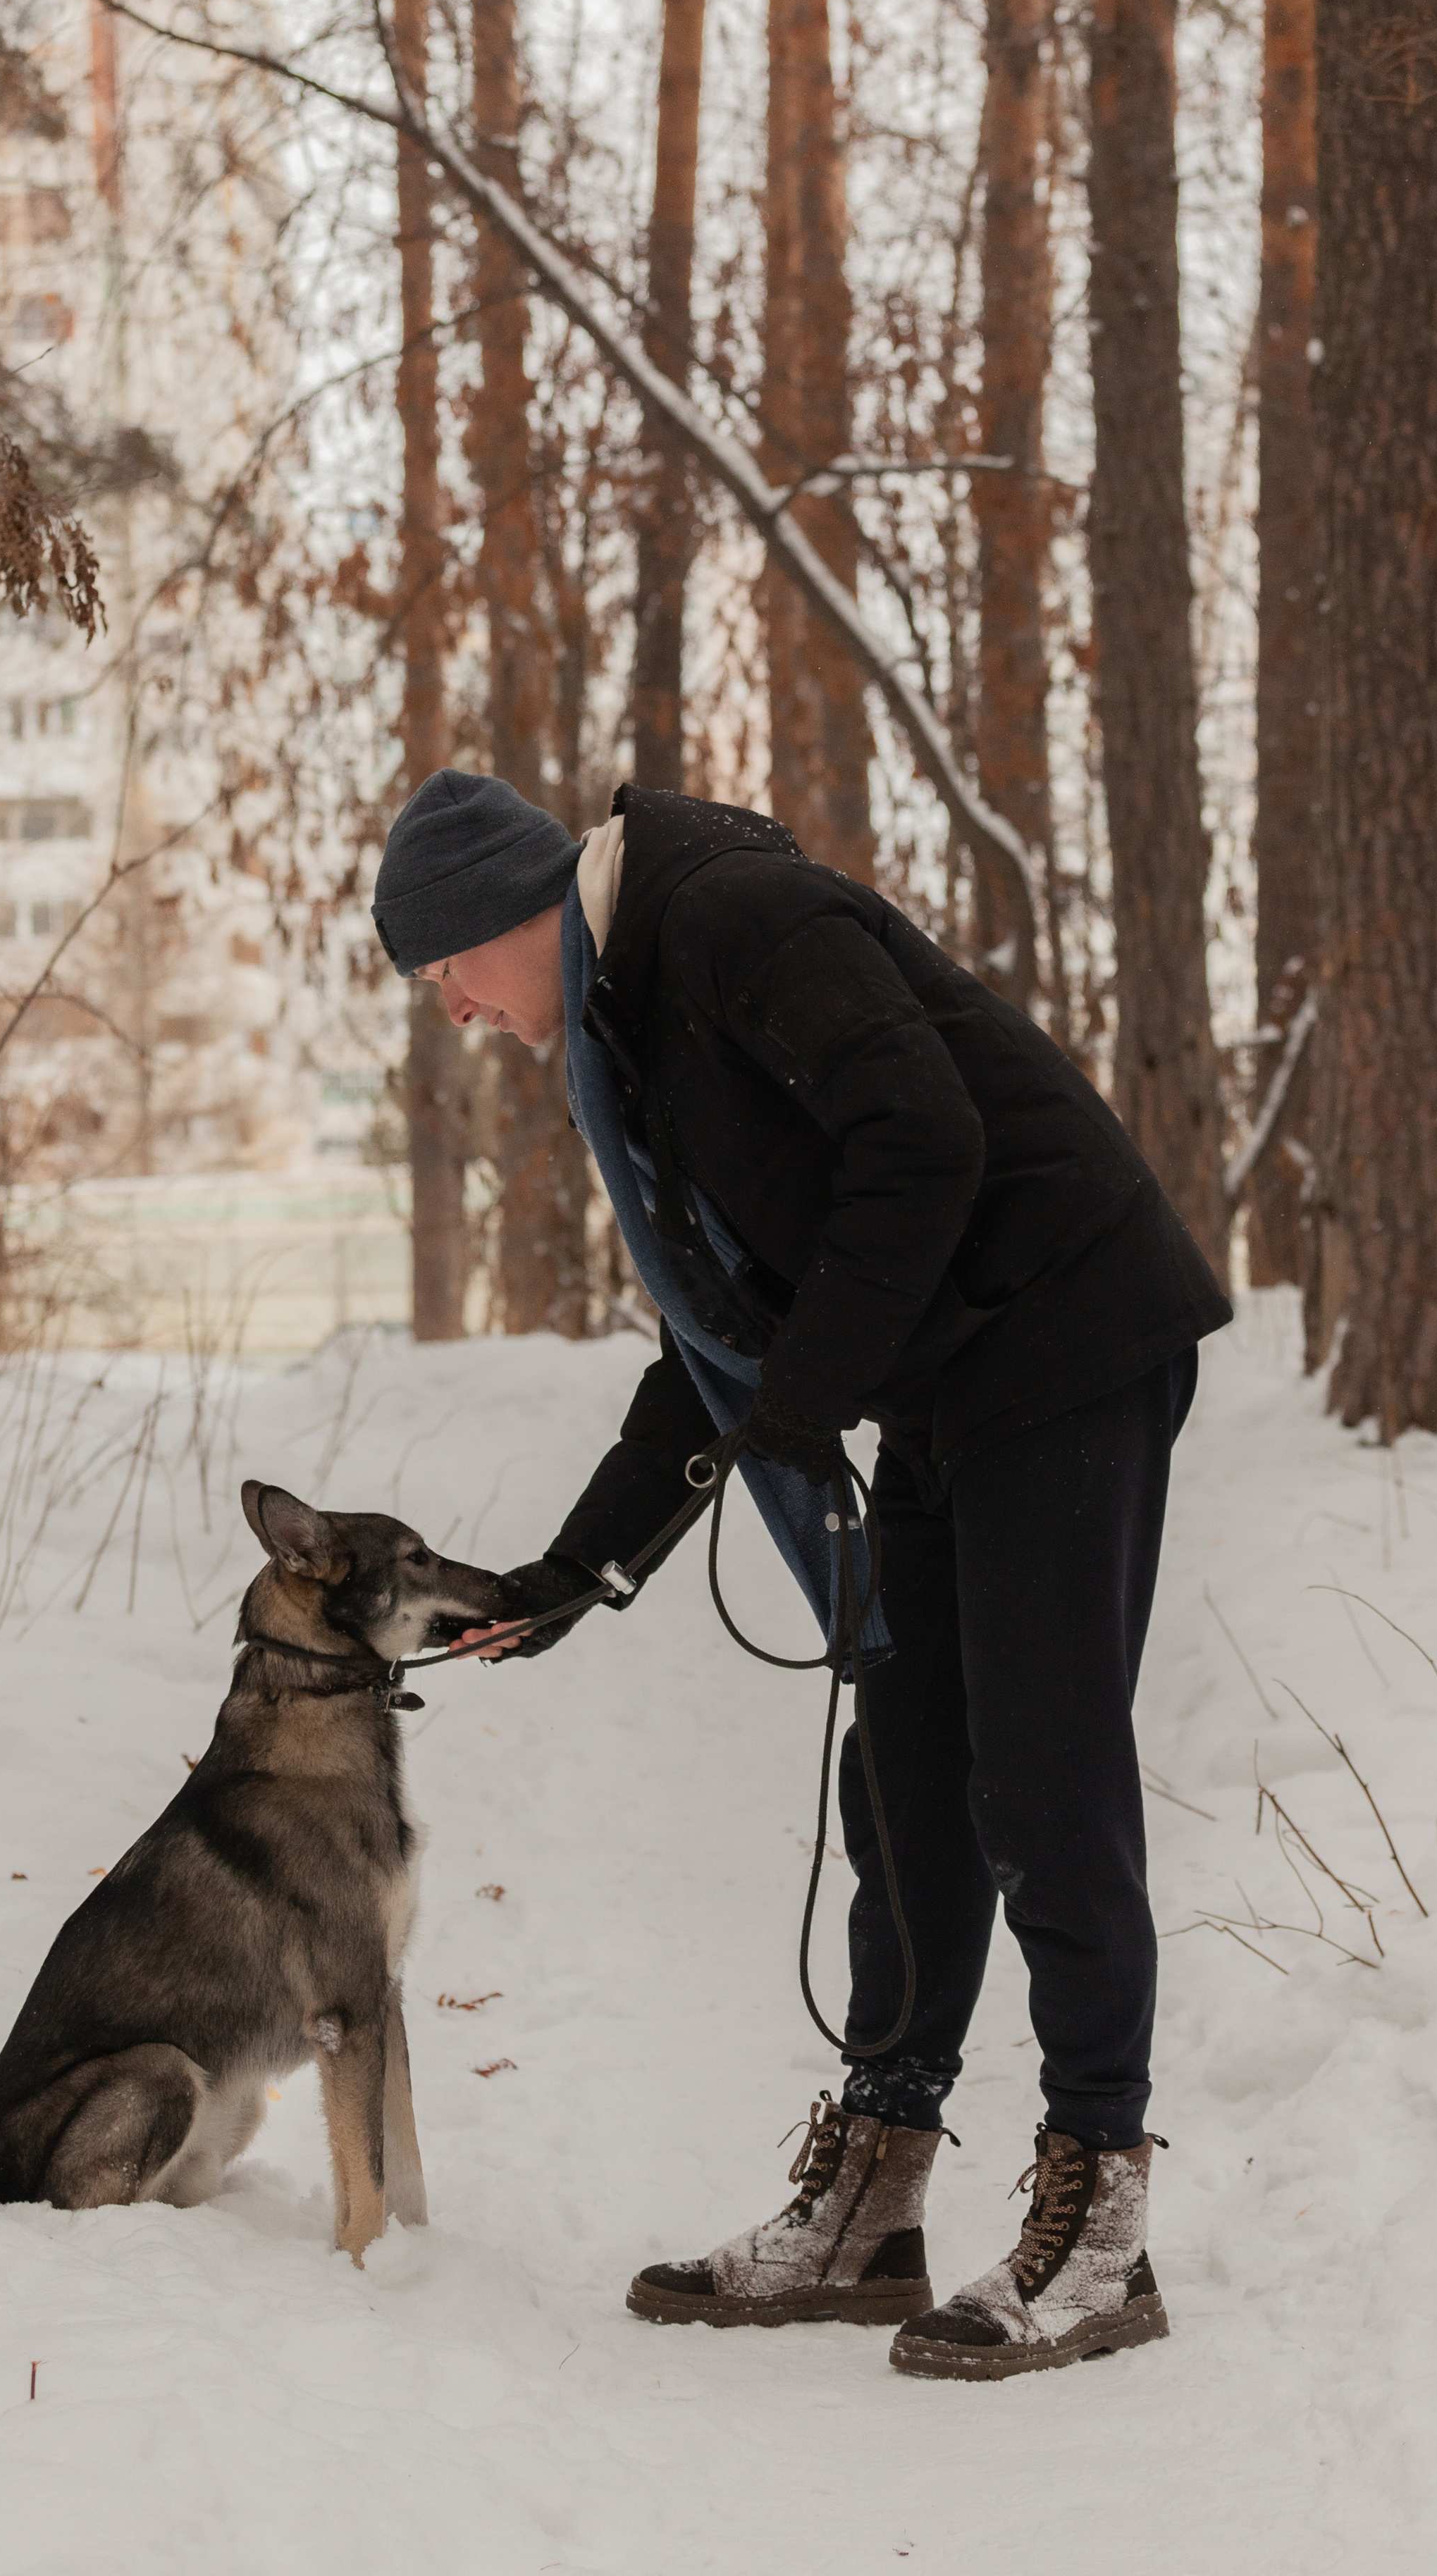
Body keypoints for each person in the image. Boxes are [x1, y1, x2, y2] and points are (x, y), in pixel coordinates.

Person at [371, 768, 1230, 2382]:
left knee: (1039, 1783)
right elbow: (714, 1341)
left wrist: (809, 1381)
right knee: (906, 1783)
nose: (456, 1014)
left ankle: (1099, 2216)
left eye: (446, 975)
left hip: (1065, 1337)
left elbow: (922, 1136)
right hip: (943, 1383)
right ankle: (874, 2196)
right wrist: (579, 1569)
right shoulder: (629, 1024)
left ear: (508, 913)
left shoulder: (734, 919)